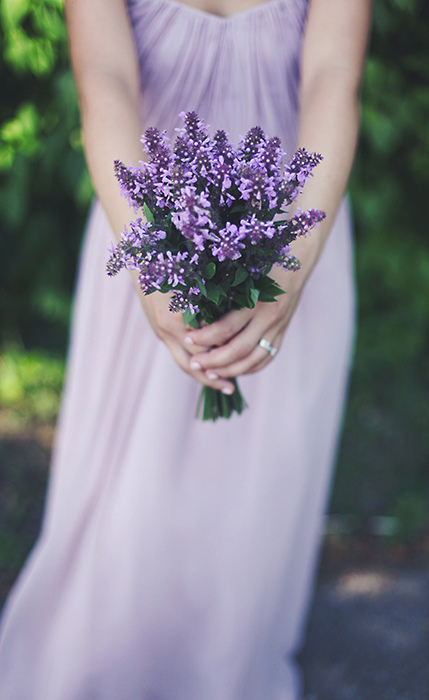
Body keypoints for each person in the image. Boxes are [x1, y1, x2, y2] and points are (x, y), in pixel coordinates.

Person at [0, 0, 372, 698]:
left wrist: (290, 262)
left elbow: (331, 74)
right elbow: (104, 79)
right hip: (143, 229)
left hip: (296, 236)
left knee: (255, 502)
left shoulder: (296, 254)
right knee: (129, 508)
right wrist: (150, 263)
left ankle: (223, 674)